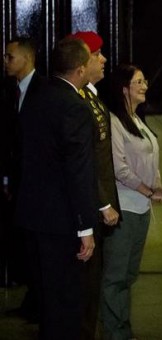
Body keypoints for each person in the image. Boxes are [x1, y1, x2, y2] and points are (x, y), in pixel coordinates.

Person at [16, 36, 97, 340]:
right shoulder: (74, 107)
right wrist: (85, 227)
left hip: (33, 216)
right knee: (67, 303)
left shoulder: (36, 98)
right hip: (63, 221)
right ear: (79, 69)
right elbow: (78, 170)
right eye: (90, 60)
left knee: (49, 301)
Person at [101, 63, 162, 340]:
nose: (145, 86)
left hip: (140, 208)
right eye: (138, 82)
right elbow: (120, 169)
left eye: (145, 80)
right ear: (124, 88)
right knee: (115, 278)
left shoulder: (138, 120)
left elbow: (150, 158)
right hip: (125, 208)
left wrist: (158, 186)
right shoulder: (114, 121)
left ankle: (122, 330)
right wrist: (150, 190)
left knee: (128, 276)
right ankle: (114, 333)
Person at [70, 30, 121, 340]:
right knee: (82, 286)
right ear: (81, 61)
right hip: (86, 205)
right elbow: (84, 159)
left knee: (92, 285)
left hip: (97, 199)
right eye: (97, 54)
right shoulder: (77, 100)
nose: (103, 60)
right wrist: (103, 202)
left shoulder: (90, 95)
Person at [1, 37, 45, 320]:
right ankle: (32, 300)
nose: (5, 62)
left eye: (10, 57)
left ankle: (39, 303)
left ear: (27, 59)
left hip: (38, 184)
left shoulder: (44, 91)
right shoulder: (9, 91)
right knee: (22, 244)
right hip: (18, 183)